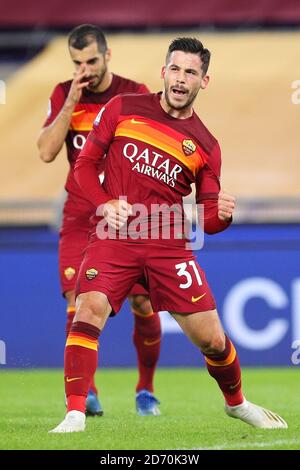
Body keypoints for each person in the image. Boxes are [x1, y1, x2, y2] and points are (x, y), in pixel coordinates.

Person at [50, 37, 288, 433]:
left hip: (168, 246)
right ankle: (75, 413)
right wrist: (105, 202)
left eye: (190, 72)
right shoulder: (123, 109)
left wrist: (224, 215)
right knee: (88, 308)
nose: (181, 79)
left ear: (204, 81)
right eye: (175, 69)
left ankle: (237, 403)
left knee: (213, 341)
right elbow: (84, 167)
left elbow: (209, 220)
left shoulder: (207, 145)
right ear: (163, 72)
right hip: (115, 235)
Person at [38, 24, 162, 417]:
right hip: (80, 210)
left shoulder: (135, 94)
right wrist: (70, 101)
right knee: (77, 298)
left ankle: (145, 389)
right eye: (77, 63)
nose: (85, 69)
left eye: (91, 60)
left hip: (125, 211)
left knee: (143, 301)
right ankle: (86, 395)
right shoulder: (64, 94)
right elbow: (45, 152)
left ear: (108, 56)